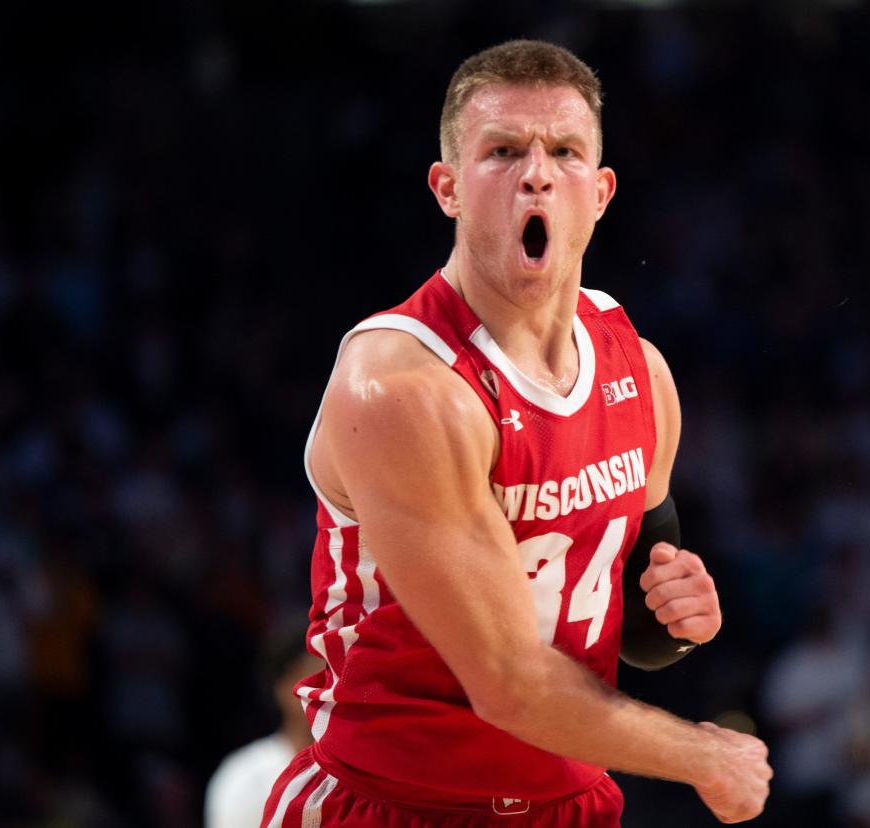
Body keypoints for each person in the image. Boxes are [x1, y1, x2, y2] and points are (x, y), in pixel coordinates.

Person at [262, 39, 772, 827]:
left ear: (600, 193)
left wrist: (677, 617)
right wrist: (703, 755)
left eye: (564, 152)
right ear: (449, 188)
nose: (536, 172)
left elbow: (631, 624)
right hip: (393, 803)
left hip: (567, 801)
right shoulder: (403, 386)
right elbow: (505, 681)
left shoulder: (642, 371)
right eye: (502, 151)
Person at [205, 625, 320, 828]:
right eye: (318, 680)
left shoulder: (367, 771)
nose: (329, 693)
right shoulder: (245, 776)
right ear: (283, 688)